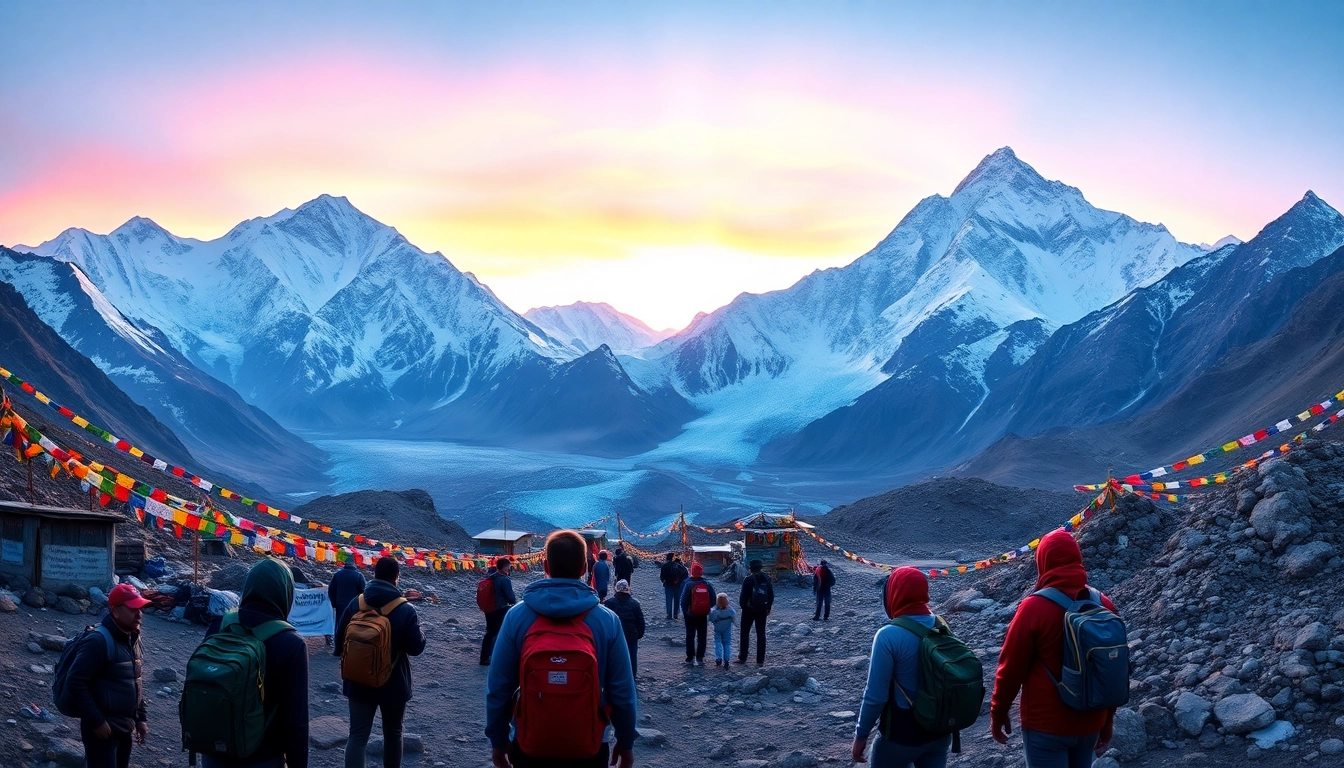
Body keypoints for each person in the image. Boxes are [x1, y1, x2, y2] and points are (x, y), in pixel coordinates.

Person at [486, 530, 637, 768]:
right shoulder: (606, 620)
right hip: (589, 744)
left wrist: (498, 739)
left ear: (545, 565)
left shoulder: (516, 616)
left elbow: (498, 687)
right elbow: (622, 690)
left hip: (530, 744)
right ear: (583, 569)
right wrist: (626, 741)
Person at [991, 529, 1117, 768]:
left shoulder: (1034, 608)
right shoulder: (1103, 603)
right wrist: (1107, 722)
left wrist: (998, 713)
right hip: (1092, 721)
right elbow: (1112, 672)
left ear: (1044, 562)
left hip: (1046, 726)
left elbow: (1010, 670)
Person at [202, 558, 309, 768]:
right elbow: (296, 721)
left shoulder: (220, 625)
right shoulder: (291, 643)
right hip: (263, 757)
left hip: (214, 752)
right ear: (285, 593)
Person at [851, 567, 951, 767]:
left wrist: (861, 735)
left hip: (901, 735)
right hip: (940, 732)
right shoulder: (942, 625)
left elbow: (875, 695)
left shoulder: (888, 635)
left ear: (893, 594)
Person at [335, 556, 427, 768]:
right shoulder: (405, 609)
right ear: (397, 577)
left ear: (374, 575)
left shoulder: (356, 603)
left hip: (357, 681)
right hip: (393, 683)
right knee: (393, 734)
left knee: (357, 736)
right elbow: (415, 648)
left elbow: (340, 641)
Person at [65, 583, 151, 768]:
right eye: (133, 609)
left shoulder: (133, 638)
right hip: (102, 730)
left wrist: (140, 718)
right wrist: (97, 721)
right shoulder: (98, 641)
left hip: (124, 728)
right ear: (116, 611)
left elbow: (135, 682)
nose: (139, 614)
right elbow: (75, 682)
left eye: (140, 608)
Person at [603, 579, 646, 675]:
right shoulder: (635, 604)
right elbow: (640, 621)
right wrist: (639, 634)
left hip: (614, 634)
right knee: (631, 657)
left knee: (614, 657)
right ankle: (631, 676)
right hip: (631, 634)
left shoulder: (609, 603)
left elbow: (605, 621)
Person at [480, 557, 518, 665]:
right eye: (509, 567)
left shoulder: (492, 577)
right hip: (500, 608)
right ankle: (491, 656)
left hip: (489, 608)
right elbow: (510, 598)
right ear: (505, 567)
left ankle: (485, 656)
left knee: (490, 632)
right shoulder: (504, 579)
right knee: (497, 633)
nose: (510, 569)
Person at [738, 559, 773, 666]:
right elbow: (771, 595)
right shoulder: (766, 578)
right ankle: (760, 661)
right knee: (761, 634)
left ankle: (743, 658)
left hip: (749, 610)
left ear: (751, 569)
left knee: (744, 633)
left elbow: (743, 597)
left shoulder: (748, 580)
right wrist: (768, 607)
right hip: (762, 609)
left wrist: (744, 607)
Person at [680, 561, 713, 666]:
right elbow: (713, 599)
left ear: (692, 572)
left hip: (690, 615)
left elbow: (683, 601)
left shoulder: (688, 583)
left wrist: (686, 611)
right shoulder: (707, 584)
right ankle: (700, 657)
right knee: (702, 635)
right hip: (702, 614)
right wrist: (707, 608)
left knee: (690, 635)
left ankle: (690, 657)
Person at [707, 593, 735, 668]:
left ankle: (718, 658)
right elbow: (734, 617)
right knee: (727, 643)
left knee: (717, 642)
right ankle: (727, 659)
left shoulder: (714, 611)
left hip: (717, 629)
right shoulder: (730, 610)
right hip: (727, 629)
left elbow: (709, 618)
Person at [659, 552, 681, 620]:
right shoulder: (677, 565)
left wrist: (664, 581)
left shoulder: (664, 566)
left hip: (668, 585)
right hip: (676, 585)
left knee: (669, 599)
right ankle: (675, 614)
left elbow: (662, 576)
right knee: (676, 599)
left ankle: (669, 615)